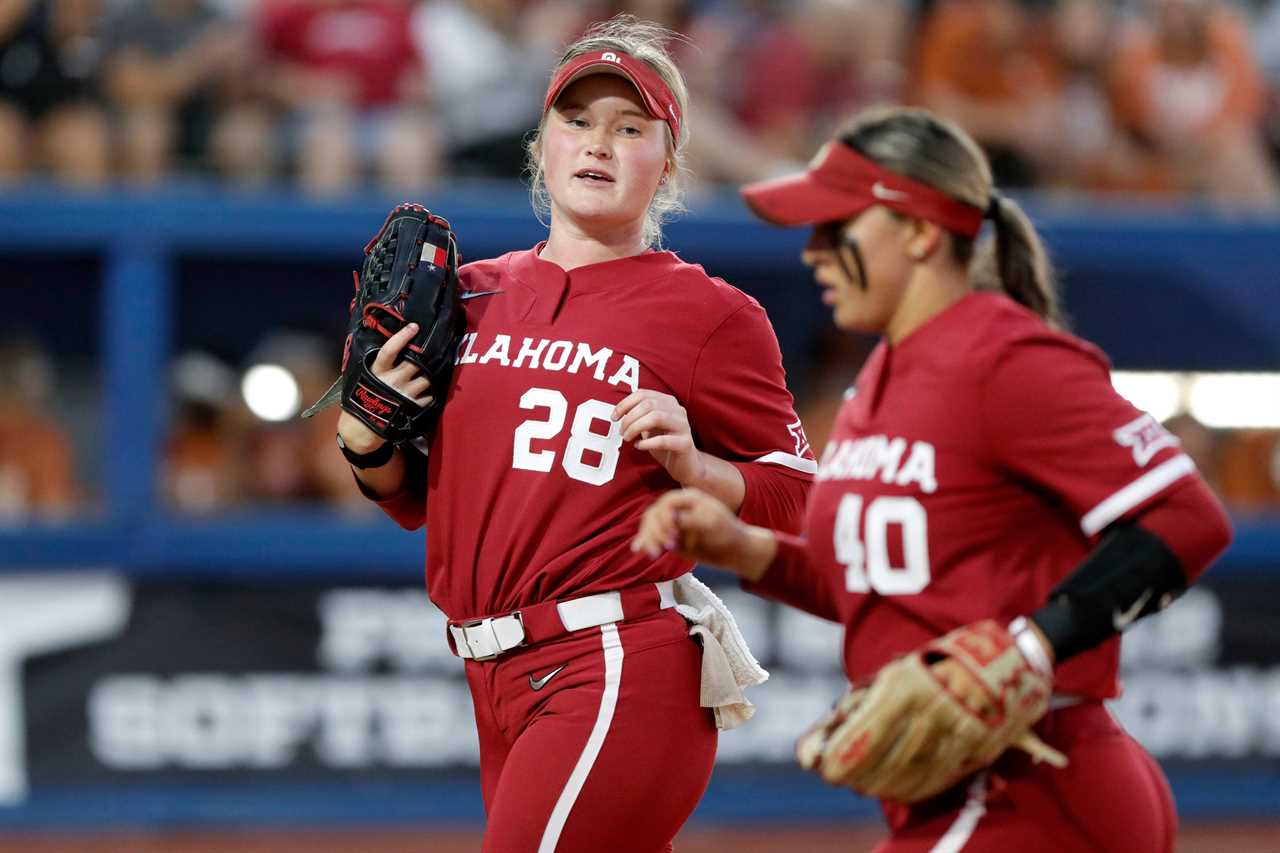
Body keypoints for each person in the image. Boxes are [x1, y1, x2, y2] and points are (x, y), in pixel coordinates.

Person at [633, 105, 1234, 852]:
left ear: (918, 231)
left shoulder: (1005, 356)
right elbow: (886, 586)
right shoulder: (877, 379)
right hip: (968, 797)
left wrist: (1031, 645)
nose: (814, 252)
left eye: (837, 227)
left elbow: (1188, 517)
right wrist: (745, 548)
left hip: (1039, 786)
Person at [333, 16, 814, 853]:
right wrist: (367, 439)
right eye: (578, 120)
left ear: (667, 163)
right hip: (491, 675)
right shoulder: (469, 296)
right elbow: (415, 500)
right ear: (542, 145)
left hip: (618, 662)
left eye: (631, 128)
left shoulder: (711, 316)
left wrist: (698, 467)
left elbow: (805, 503)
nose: (600, 143)